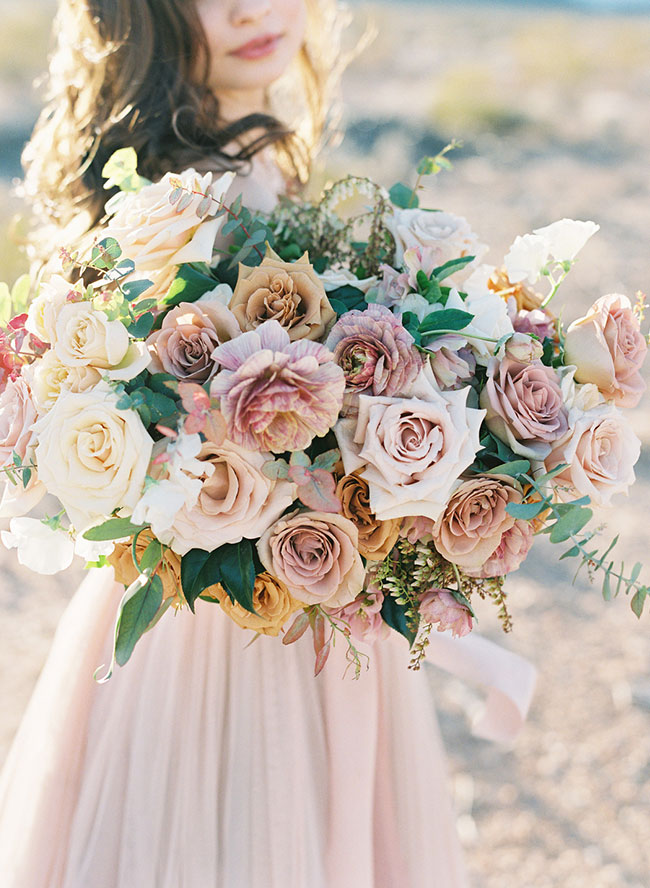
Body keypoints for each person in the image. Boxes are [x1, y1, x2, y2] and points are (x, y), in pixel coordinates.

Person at [0, 2, 535, 886]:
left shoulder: (217, 164)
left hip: (212, 597)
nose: (256, 8)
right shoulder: (209, 183)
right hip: (243, 617)